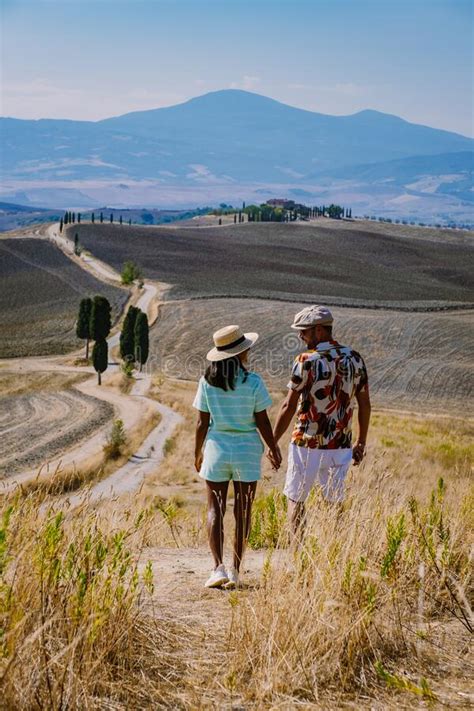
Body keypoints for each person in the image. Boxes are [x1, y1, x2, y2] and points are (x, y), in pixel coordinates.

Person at [194, 325, 281, 589]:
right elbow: (262, 421)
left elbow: (201, 423)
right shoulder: (253, 381)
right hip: (246, 452)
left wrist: (197, 452)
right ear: (240, 353)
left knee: (214, 509)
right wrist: (273, 447)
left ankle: (217, 567)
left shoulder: (207, 382)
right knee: (243, 510)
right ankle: (235, 570)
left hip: (216, 450)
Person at [272, 305, 371, 538]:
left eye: (303, 331)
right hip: (341, 443)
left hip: (307, 442)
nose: (300, 336)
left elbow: (287, 406)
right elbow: (365, 404)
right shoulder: (355, 358)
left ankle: (297, 554)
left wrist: (272, 441)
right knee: (335, 502)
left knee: (296, 498)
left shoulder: (305, 360)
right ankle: (334, 551)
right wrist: (361, 442)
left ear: (318, 331)